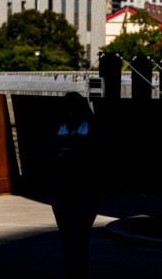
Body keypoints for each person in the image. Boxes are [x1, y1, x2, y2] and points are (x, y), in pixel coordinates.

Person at [48, 91, 99, 278]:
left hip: (85, 190)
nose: (70, 114)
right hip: (63, 191)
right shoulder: (58, 128)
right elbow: (45, 155)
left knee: (79, 236)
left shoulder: (92, 128)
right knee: (68, 238)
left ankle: (78, 271)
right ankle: (73, 271)